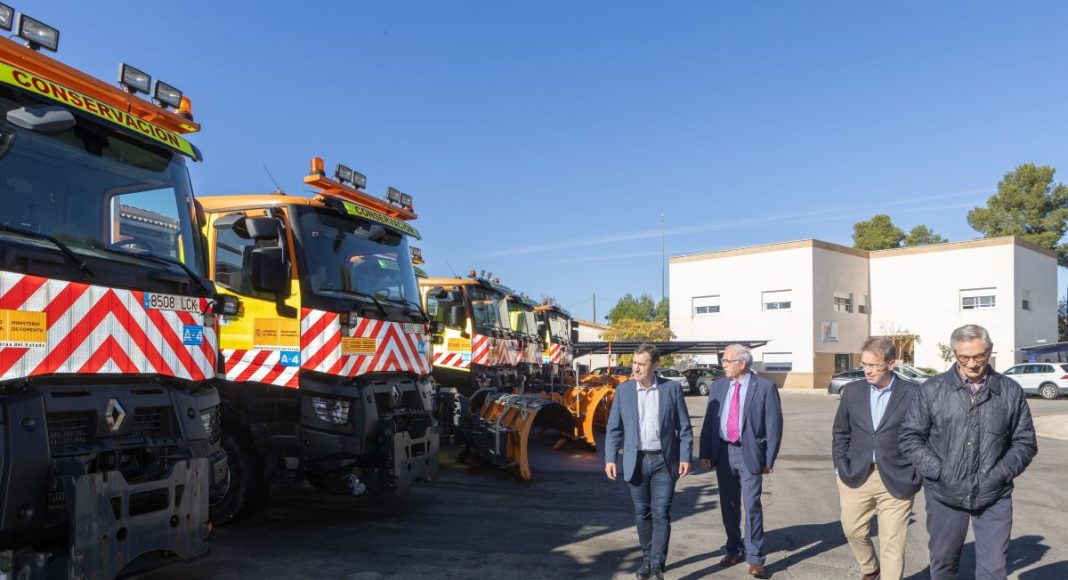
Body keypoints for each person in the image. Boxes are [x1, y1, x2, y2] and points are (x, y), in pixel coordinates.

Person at [899, 324, 1037, 580]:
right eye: (964, 357)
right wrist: (939, 472)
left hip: (994, 494)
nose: (972, 363)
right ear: (955, 354)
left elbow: (1025, 442)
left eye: (979, 356)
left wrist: (999, 474)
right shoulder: (932, 389)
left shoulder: (1010, 390)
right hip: (944, 493)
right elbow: (910, 437)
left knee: (994, 569)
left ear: (989, 350)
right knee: (943, 565)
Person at [832, 337, 921, 580]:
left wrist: (916, 471)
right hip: (856, 475)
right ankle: (870, 569)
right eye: (864, 365)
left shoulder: (913, 393)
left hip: (898, 478)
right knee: (853, 530)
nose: (868, 370)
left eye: (874, 365)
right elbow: (841, 431)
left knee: (892, 544)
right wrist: (840, 466)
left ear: (891, 364)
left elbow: (926, 435)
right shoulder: (852, 391)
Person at [605, 344, 693, 580]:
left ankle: (657, 565)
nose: (636, 368)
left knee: (661, 513)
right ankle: (646, 559)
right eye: (634, 363)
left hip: (664, 462)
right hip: (636, 461)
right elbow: (614, 428)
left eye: (642, 364)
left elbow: (684, 427)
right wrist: (610, 458)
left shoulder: (671, 389)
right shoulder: (623, 391)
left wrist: (685, 456)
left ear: (655, 365)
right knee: (641, 513)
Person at [699, 344, 783, 579]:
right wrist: (705, 452)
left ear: (743, 363)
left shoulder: (764, 387)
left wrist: (769, 458)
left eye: (727, 360)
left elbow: (774, 425)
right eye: (723, 360)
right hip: (723, 452)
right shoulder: (718, 386)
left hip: (750, 454)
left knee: (752, 505)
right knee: (729, 505)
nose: (723, 364)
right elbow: (709, 422)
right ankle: (734, 549)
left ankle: (755, 558)